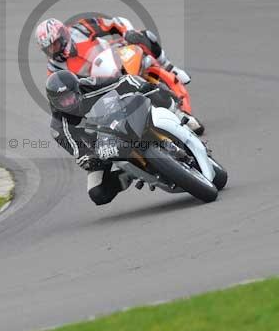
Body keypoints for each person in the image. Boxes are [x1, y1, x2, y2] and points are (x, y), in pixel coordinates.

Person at [46, 70, 181, 206]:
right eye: (63, 101)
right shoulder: (58, 127)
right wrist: (88, 159)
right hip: (101, 149)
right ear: (54, 102)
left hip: (119, 118)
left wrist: (141, 85)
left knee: (152, 91)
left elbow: (123, 80)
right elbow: (77, 150)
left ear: (77, 90)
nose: (69, 103)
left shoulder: (89, 85)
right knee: (97, 193)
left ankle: (180, 117)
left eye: (70, 97)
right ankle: (128, 174)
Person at [35, 16, 191, 84]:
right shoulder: (54, 68)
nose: (52, 50)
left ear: (63, 35)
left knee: (143, 36)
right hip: (102, 86)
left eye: (54, 44)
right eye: (48, 48)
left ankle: (169, 67)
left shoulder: (80, 28)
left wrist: (127, 32)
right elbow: (60, 92)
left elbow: (115, 22)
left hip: (117, 57)